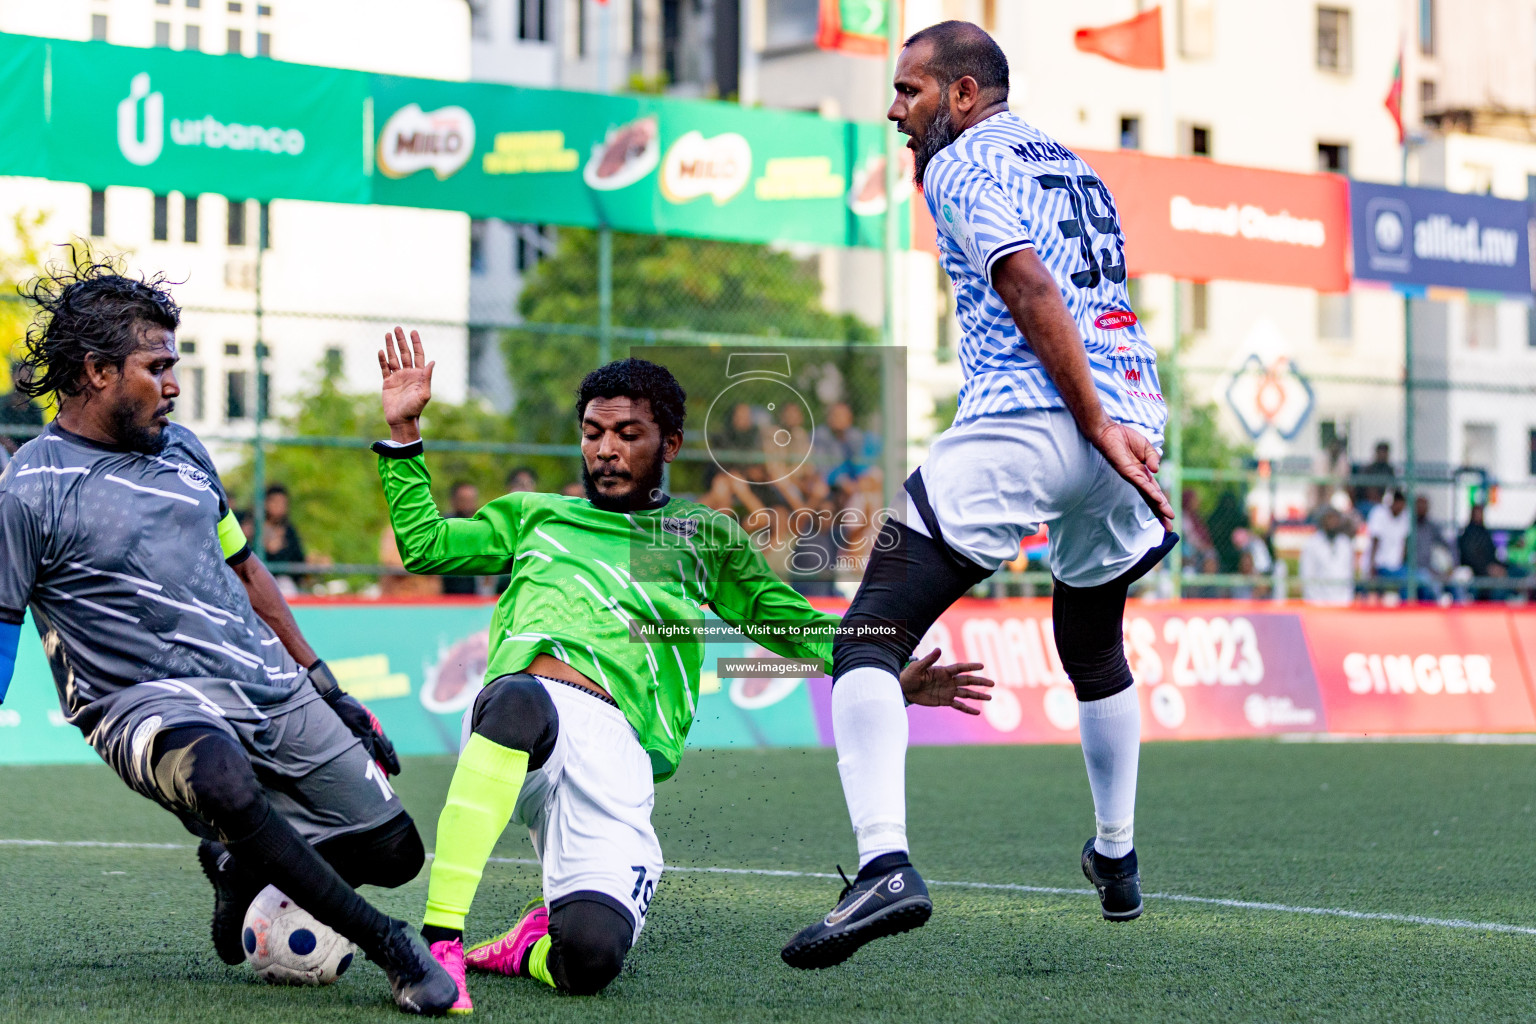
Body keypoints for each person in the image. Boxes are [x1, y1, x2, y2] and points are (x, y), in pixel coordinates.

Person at [371, 329, 992, 1008]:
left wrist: (875, 664)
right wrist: (404, 432)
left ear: (667, 444)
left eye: (627, 432)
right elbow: (425, 546)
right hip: (521, 721)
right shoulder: (536, 517)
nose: (605, 448)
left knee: (591, 960)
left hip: (618, 756)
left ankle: (532, 944)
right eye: (592, 432)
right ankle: (439, 949)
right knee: (516, 700)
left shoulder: (700, 536)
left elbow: (786, 623)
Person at [780, 21, 1177, 970]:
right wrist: (1112, 429)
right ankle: (1116, 858)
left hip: (1041, 419)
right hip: (1136, 424)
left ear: (963, 96)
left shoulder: (955, 167)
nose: (894, 110)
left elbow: (1031, 285)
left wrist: (1082, 420)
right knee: (1092, 643)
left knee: (868, 636)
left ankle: (883, 865)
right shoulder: (1074, 165)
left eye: (909, 91)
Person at [0, 261, 454, 1014]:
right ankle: (393, 948)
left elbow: (247, 570)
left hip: (264, 681)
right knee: (218, 777)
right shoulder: (28, 488)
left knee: (395, 849)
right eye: (158, 367)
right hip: (140, 702)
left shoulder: (185, 454)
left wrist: (323, 683)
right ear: (96, 371)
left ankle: (239, 866)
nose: (174, 385)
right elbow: (4, 625)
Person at [1300, 508, 1356, 606]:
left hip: (1343, 602)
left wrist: (1348, 600)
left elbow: (1349, 574)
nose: (1333, 522)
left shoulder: (1345, 543)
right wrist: (1314, 602)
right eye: (1329, 519)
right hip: (1318, 602)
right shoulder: (1312, 544)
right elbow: (1307, 575)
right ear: (1322, 521)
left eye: (1335, 519)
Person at [260, 483, 306, 592]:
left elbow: (298, 558)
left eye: (282, 503)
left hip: (284, 583)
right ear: (266, 503)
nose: (279, 506)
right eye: (275, 502)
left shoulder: (289, 530)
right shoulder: (253, 528)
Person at [1458, 503, 1508, 600]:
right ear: (1472, 515)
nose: (1480, 516)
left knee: (1514, 573)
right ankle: (1494, 609)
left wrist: (1500, 567)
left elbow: (1492, 555)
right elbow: (1469, 559)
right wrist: (1488, 569)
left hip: (1491, 569)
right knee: (1498, 587)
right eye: (1477, 513)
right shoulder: (1467, 536)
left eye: (1481, 513)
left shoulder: (1485, 533)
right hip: (1477, 572)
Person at [441, 481, 483, 596]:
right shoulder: (445, 525)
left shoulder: (482, 524)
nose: (468, 504)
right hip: (448, 590)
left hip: (477, 590)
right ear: (453, 500)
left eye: (471, 499)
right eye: (463, 500)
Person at [1366, 490, 1410, 597]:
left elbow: (1404, 543)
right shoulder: (1379, 512)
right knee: (1406, 581)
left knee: (1417, 580)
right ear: (1393, 502)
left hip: (1397, 567)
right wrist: (1371, 567)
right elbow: (1375, 541)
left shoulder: (1405, 516)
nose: (1400, 508)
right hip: (1381, 566)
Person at [0, 360, 45, 454]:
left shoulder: (34, 408)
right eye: (21, 375)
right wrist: (12, 449)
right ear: (13, 376)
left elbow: (38, 436)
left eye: (29, 376)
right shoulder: (2, 403)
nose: (25, 379)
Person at [1352, 442, 1395, 515]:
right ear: (1377, 453)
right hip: (1366, 502)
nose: (1383, 455)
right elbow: (1369, 492)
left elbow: (1392, 489)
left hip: (1384, 501)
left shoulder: (1389, 469)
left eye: (1385, 452)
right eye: (1381, 452)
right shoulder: (1368, 469)